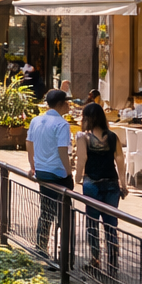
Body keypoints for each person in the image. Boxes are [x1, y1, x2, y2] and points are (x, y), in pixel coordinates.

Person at [75, 102, 128, 272]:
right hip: (112, 184)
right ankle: (113, 262)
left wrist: (77, 178)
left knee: (92, 222)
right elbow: (120, 160)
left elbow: (81, 159)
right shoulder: (113, 137)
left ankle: (95, 259)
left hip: (91, 184)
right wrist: (123, 184)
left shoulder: (83, 137)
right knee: (111, 223)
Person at [27, 89, 75, 257]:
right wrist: (69, 173)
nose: (69, 105)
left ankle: (41, 246)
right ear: (61, 104)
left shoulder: (36, 120)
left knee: (46, 211)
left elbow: (29, 144)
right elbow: (63, 150)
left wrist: (33, 166)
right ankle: (62, 253)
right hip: (58, 174)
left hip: (42, 172)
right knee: (64, 214)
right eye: (67, 102)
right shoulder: (62, 124)